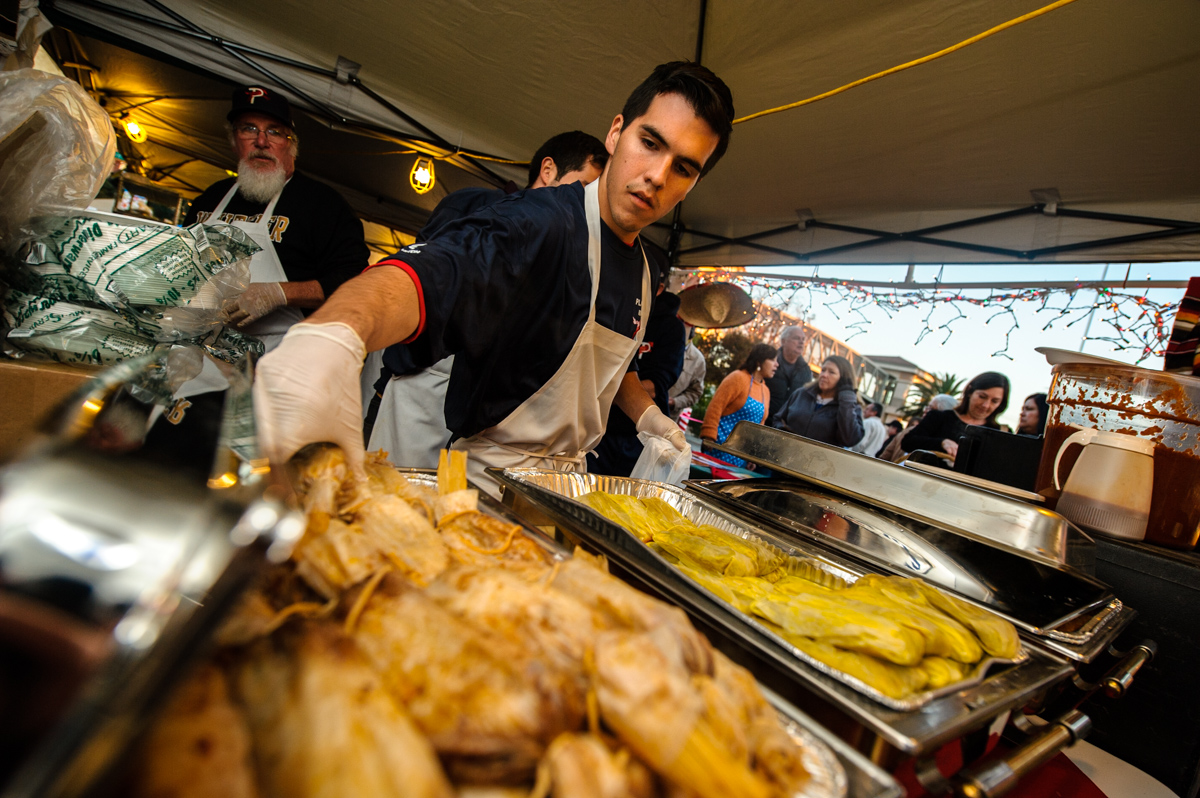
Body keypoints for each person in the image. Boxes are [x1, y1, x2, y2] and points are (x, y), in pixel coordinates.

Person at [254, 61, 736, 488]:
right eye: (649, 143)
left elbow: (608, 367)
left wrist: (649, 417)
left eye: (684, 168)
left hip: (566, 489)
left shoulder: (643, 273)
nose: (657, 174)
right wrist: (335, 333)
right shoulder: (539, 222)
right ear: (615, 133)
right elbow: (428, 277)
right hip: (485, 486)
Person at [365, 131, 609, 468]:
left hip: (488, 422)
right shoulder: (477, 206)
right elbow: (419, 282)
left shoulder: (575, 257)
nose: (586, 206)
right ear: (548, 170)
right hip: (425, 391)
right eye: (584, 189)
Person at [185, 85, 368, 351]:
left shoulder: (323, 204)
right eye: (248, 129)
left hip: (283, 358)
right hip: (202, 355)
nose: (261, 142)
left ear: (291, 144)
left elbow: (354, 281)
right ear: (234, 140)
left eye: (274, 132)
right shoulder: (211, 198)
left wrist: (279, 293)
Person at [588, 253, 687, 476]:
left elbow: (652, 383)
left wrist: (652, 419)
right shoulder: (612, 310)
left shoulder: (671, 328)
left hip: (637, 437)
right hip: (597, 431)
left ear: (658, 288)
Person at [700, 344, 777, 468]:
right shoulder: (738, 378)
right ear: (759, 361)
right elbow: (716, 407)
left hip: (740, 459)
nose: (776, 364)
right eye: (773, 360)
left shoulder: (766, 391)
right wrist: (709, 435)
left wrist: (752, 456)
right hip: (718, 449)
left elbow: (759, 427)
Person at [901, 372, 1010, 460]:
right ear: (969, 392)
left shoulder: (1000, 434)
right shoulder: (939, 418)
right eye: (982, 396)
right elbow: (908, 442)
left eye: (994, 401)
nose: (986, 405)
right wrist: (941, 443)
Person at [773, 355, 865, 448]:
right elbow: (778, 419)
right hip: (783, 453)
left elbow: (849, 439)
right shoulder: (801, 393)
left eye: (831, 372)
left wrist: (846, 400)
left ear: (843, 379)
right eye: (823, 370)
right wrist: (782, 431)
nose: (824, 375)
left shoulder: (851, 406)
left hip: (818, 460)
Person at [879, 393, 956, 463]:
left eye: (930, 409)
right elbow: (888, 453)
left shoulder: (950, 445)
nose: (926, 411)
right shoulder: (908, 432)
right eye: (927, 407)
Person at [764, 326, 813, 421]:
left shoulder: (806, 371)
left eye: (803, 339)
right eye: (796, 338)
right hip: (762, 421)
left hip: (785, 427)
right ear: (783, 341)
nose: (801, 342)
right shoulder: (768, 361)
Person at [668, 323, 705, 420]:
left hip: (668, 416)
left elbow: (695, 392)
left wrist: (675, 402)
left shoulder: (698, 360)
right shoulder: (662, 344)